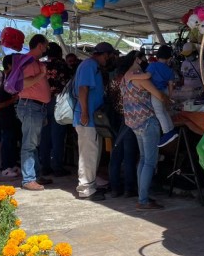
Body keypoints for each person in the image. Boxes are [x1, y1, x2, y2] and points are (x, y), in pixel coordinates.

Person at [121, 51, 170, 210]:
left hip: (134, 123)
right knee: (149, 161)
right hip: (148, 121)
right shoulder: (140, 78)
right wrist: (169, 101)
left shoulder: (125, 78)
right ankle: (143, 200)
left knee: (142, 159)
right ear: (137, 59)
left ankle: (143, 196)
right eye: (142, 59)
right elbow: (159, 95)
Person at [73, 41, 114, 201]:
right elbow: (83, 88)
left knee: (92, 153)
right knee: (88, 154)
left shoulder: (91, 66)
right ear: (104, 54)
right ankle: (86, 189)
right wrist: (84, 112)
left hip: (90, 117)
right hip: (86, 117)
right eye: (108, 57)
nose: (108, 60)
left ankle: (90, 185)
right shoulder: (89, 65)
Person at [16, 34, 52, 191]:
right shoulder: (30, 61)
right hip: (31, 107)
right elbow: (23, 84)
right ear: (40, 46)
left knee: (32, 143)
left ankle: (35, 175)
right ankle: (29, 178)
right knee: (29, 144)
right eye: (46, 45)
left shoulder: (33, 61)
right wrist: (42, 75)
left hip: (35, 107)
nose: (46, 49)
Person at [108, 52, 139, 199]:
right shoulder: (129, 78)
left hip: (116, 118)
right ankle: (129, 188)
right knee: (129, 155)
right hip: (129, 119)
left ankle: (115, 188)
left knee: (116, 154)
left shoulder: (114, 79)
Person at [39, 42, 72, 177]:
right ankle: (57, 166)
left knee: (45, 136)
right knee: (58, 135)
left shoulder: (43, 65)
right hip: (58, 102)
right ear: (59, 53)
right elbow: (68, 82)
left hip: (43, 101)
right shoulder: (62, 65)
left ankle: (45, 166)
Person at [0, 55, 20, 178]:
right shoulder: (0, 76)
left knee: (13, 139)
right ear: (9, 65)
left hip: (12, 113)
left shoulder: (14, 76)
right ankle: (5, 167)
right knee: (6, 140)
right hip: (3, 111)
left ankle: (13, 164)